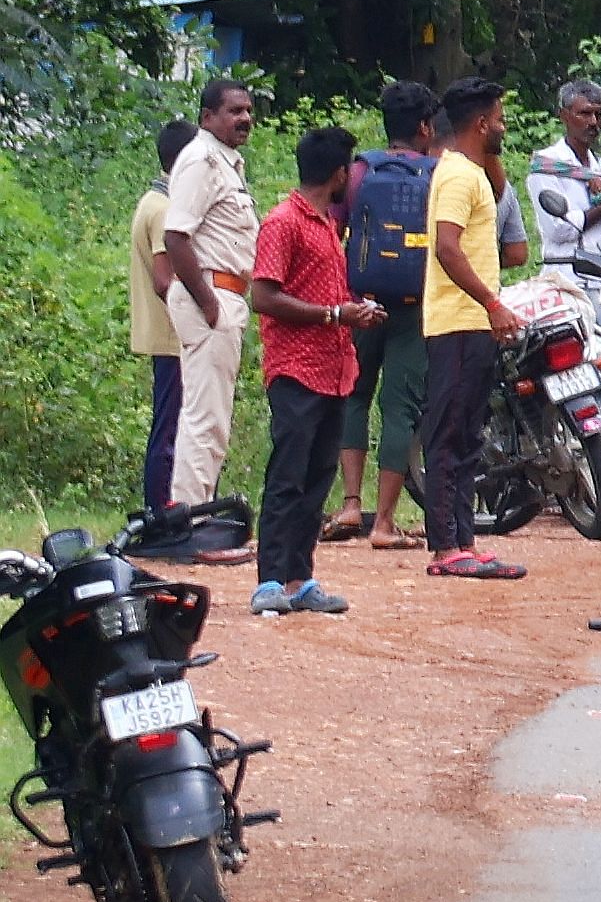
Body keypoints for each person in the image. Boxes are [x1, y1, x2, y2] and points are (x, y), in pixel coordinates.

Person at [247, 127, 388, 614]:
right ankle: (269, 581)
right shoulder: (283, 221)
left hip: (332, 369)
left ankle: (299, 578)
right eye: (349, 169)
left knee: (317, 476)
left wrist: (353, 309)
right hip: (295, 369)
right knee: (288, 474)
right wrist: (334, 315)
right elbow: (263, 296)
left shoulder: (328, 224)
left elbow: (322, 294)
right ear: (337, 174)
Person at [418, 78, 529, 582]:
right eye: (499, 118)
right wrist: (491, 303)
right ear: (482, 122)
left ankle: (464, 541)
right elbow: (447, 247)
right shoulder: (459, 176)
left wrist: (490, 145)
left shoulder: (471, 171)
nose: (504, 126)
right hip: (459, 323)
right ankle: (445, 546)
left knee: (466, 436)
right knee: (448, 436)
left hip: (470, 324)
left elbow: (500, 191)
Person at [329, 80, 444, 550]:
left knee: (354, 398)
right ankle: (385, 524)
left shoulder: (360, 170)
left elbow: (334, 232)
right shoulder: (439, 174)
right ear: (424, 126)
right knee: (399, 407)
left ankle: (352, 503)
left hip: (362, 302)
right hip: (414, 308)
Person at [162, 79, 262, 534]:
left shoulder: (227, 164)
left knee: (211, 416)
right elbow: (175, 236)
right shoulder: (202, 161)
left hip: (224, 295)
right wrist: (209, 304)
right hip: (210, 295)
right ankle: (189, 523)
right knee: (205, 417)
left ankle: (195, 517)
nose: (244, 118)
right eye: (233, 111)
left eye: (247, 110)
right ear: (207, 117)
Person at [128, 117, 198, 516]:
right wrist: (200, 311)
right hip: (172, 335)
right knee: (170, 427)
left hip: (164, 334)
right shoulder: (167, 208)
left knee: (168, 422)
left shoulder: (152, 200)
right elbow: (162, 278)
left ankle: (161, 506)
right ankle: (160, 508)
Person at [526, 78, 601, 277]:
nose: (593, 122)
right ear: (564, 116)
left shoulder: (596, 166)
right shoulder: (546, 166)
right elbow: (560, 229)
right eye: (585, 113)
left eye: (598, 115)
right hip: (566, 276)